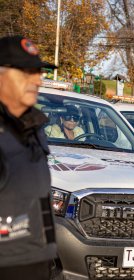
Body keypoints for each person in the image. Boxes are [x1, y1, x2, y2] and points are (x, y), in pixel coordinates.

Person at [0, 36, 57, 279]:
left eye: (37, 71)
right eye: (25, 71)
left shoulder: (34, 126)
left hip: (40, 262)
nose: (37, 79)